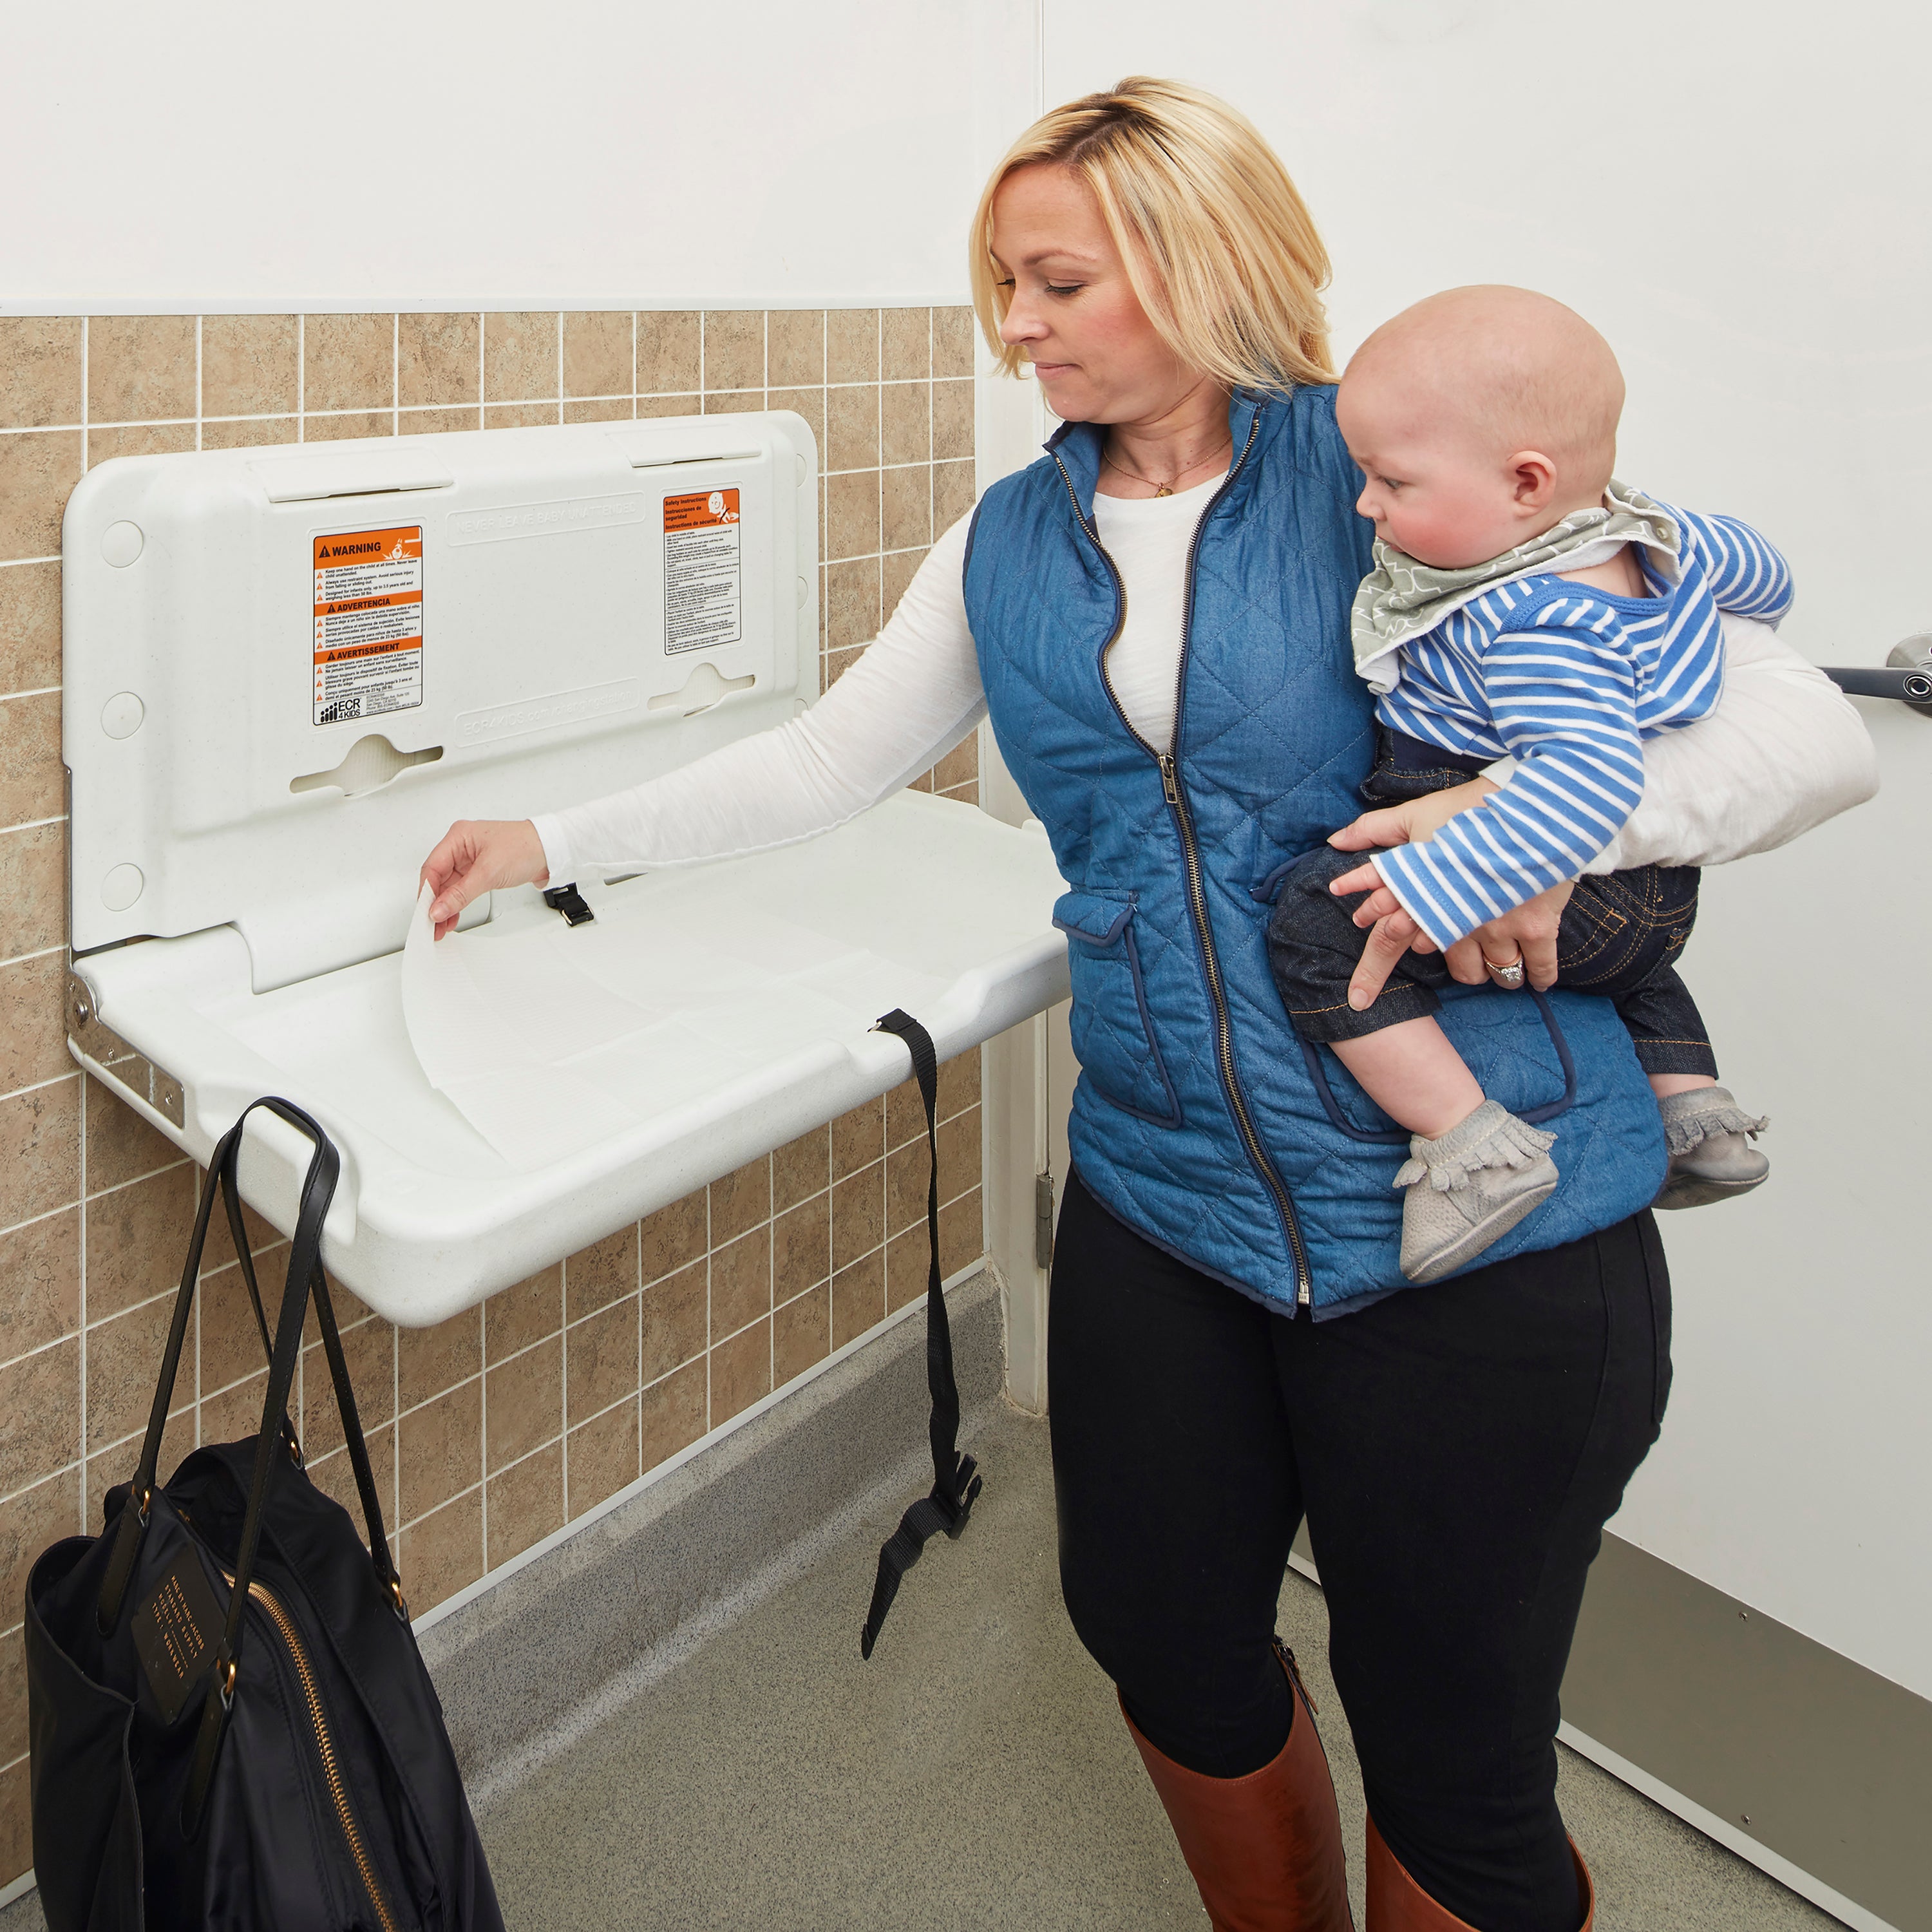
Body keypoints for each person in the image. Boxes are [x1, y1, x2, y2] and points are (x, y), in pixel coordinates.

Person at [419, 79, 1875, 1932]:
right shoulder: (1008, 546)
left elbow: (1806, 727)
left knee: (1456, 1752)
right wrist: (551, 836)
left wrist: (1542, 836)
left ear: (1192, 264)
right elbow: (821, 767)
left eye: (1052, 281)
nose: (1011, 325)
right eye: (1001, 286)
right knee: (1162, 1639)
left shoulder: (1387, 467)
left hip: (1481, 1222)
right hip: (1162, 1196)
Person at [1265, 286, 1778, 1287]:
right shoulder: (1644, 532)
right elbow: (1766, 572)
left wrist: (1445, 885)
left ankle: (1472, 1153)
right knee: (1636, 959)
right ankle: (1695, 1108)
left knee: (1317, 921)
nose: (1366, 503)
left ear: (1526, 484)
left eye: (1391, 482)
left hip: (1579, 878)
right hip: (1657, 905)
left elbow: (1590, 779)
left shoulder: (1528, 621)